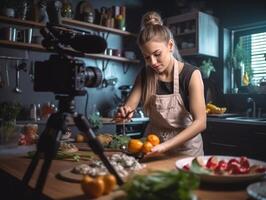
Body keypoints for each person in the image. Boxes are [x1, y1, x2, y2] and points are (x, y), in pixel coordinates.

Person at [115, 14, 206, 157]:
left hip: (186, 152)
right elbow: (130, 106)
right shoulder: (145, 75)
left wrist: (165, 146)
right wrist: (125, 112)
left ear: (170, 46)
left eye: (157, 54)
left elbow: (200, 122)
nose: (153, 62)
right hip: (153, 148)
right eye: (147, 57)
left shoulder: (191, 74)